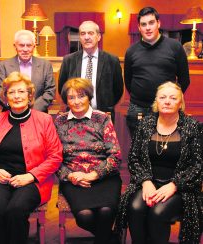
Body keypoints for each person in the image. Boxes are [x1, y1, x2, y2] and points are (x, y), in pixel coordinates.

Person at [0, 71, 62, 244]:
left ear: (30, 96)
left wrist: (30, 176)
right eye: (11, 92)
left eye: (21, 91)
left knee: (16, 210)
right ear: (5, 97)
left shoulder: (44, 120)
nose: (16, 96)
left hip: (33, 180)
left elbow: (55, 156)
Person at [115, 82, 202, 244]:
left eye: (172, 98)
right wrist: (146, 182)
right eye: (162, 97)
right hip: (148, 183)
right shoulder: (145, 125)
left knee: (157, 212)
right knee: (135, 208)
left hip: (179, 188)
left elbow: (197, 166)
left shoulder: (193, 127)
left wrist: (174, 185)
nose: (167, 101)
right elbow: (134, 159)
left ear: (180, 103)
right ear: (157, 101)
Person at [55, 78, 122, 244]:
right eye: (71, 97)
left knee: (106, 211)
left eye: (81, 96)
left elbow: (115, 155)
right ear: (66, 100)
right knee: (85, 216)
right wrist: (70, 176)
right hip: (74, 179)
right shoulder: (59, 121)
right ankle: (112, 238)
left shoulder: (102, 119)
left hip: (105, 176)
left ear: (89, 97)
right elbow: (54, 158)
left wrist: (94, 174)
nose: (77, 101)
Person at [125, 7, 190, 137]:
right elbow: (128, 81)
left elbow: (184, 80)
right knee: (138, 151)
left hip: (167, 109)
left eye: (151, 22)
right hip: (138, 109)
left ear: (158, 24)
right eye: (143, 24)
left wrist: (171, 100)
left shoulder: (175, 47)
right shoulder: (131, 51)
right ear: (139, 28)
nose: (148, 27)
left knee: (166, 150)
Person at [58, 21, 124, 122]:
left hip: (103, 116)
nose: (86, 37)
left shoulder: (112, 60)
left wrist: (107, 105)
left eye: (91, 33)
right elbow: (62, 89)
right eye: (83, 34)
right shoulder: (69, 60)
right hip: (75, 116)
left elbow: (118, 90)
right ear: (80, 37)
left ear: (98, 36)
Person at [0, 30, 55, 112]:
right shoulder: (3, 66)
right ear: (15, 46)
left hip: (38, 113)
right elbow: (0, 91)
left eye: (29, 45)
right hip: (11, 113)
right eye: (21, 45)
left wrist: (31, 110)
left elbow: (50, 91)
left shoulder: (45, 65)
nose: (25, 49)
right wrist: (15, 107)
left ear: (34, 46)